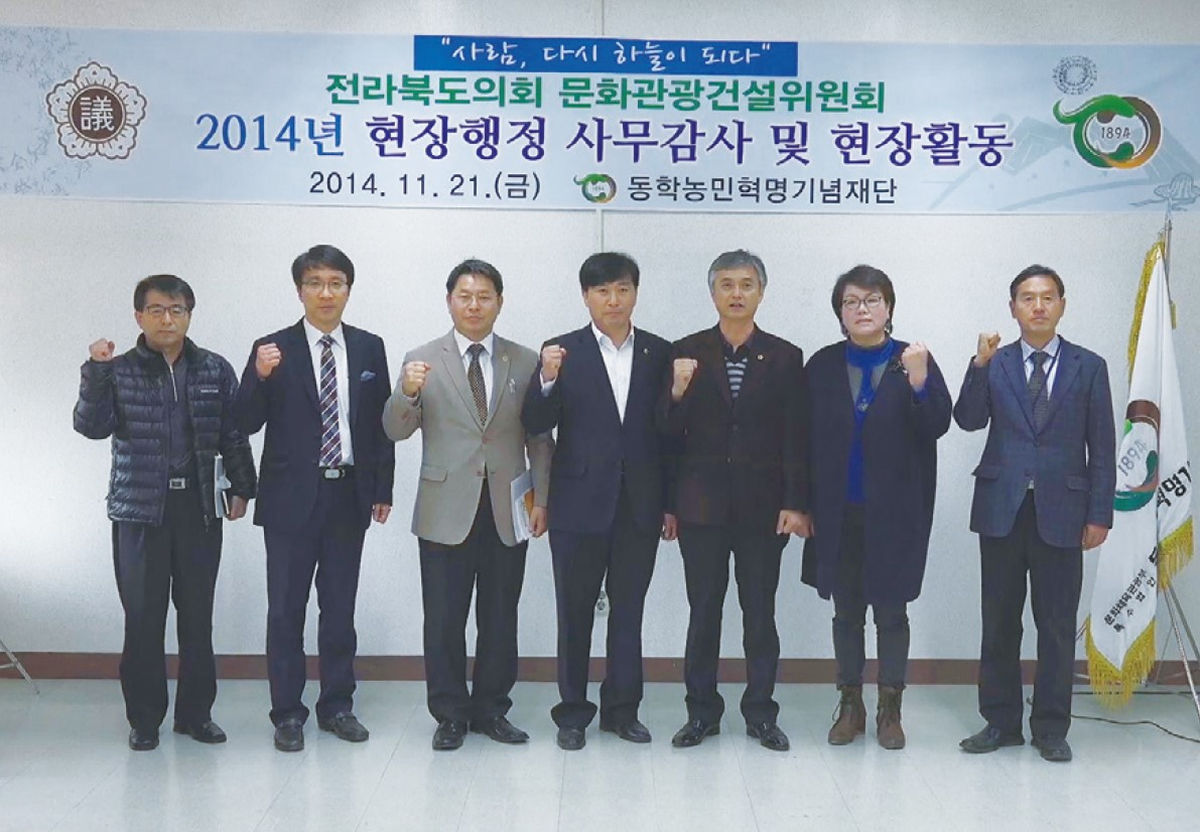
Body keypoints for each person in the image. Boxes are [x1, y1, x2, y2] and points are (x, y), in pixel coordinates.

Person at [73, 274, 257, 751]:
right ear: (139, 316)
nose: (167, 319)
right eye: (156, 310)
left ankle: (195, 715)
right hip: (139, 511)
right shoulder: (118, 370)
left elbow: (232, 432)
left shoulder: (214, 368)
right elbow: (91, 426)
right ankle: (145, 719)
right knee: (143, 618)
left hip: (199, 508)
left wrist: (243, 487)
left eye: (177, 310)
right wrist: (95, 371)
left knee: (197, 617)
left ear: (189, 315)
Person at [384, 258, 552, 751]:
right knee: (443, 619)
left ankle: (492, 710)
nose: (474, 305)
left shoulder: (524, 360)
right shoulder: (421, 358)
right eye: (465, 296)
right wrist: (407, 392)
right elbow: (394, 429)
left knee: (500, 617)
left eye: (484, 297)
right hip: (444, 507)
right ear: (449, 301)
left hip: (507, 507)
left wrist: (542, 497)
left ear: (499, 302)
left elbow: (539, 438)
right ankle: (450, 714)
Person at [234, 244, 395, 752]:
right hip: (289, 499)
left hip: (348, 492)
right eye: (315, 283)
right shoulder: (272, 348)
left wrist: (382, 488)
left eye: (335, 283)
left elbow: (380, 426)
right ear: (299, 290)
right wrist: (258, 377)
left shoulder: (369, 347)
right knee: (286, 610)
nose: (326, 293)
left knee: (339, 609)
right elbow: (243, 422)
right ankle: (287, 712)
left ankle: (337, 706)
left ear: (348, 289)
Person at [954, 265, 1115, 763]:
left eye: (1047, 297)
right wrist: (978, 365)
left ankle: (1050, 727)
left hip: (1064, 510)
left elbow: (1102, 448)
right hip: (1002, 507)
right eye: (1028, 298)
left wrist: (1100, 514)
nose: (1038, 306)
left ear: (1062, 305)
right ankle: (1000, 722)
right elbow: (968, 419)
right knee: (999, 621)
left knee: (1056, 624)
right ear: (1013, 308)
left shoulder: (1090, 366)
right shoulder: (996, 362)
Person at [521, 252, 675, 750]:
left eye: (623, 289)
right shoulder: (562, 351)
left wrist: (669, 503)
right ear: (586, 296)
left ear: (636, 293)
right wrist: (546, 379)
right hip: (577, 503)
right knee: (574, 614)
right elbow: (535, 423)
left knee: (629, 613)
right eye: (603, 291)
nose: (614, 300)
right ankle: (572, 713)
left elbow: (669, 435)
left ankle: (622, 711)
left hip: (639, 504)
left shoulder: (659, 352)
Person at [657, 249, 809, 752]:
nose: (737, 294)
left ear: (761, 292)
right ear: (712, 292)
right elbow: (665, 434)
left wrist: (796, 502)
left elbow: (796, 436)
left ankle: (761, 713)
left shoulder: (785, 356)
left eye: (746, 284)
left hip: (765, 509)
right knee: (703, 613)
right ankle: (701, 712)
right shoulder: (685, 351)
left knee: (759, 614)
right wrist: (677, 391)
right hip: (700, 507)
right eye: (727, 284)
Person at [800, 265, 951, 750]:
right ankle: (851, 705)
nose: (861, 309)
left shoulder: (913, 359)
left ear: (888, 307)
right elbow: (801, 441)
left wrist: (920, 381)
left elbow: (937, 425)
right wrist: (800, 505)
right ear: (840, 313)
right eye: (851, 302)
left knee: (891, 612)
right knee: (846, 612)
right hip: (837, 512)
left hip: (896, 514)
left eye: (871, 300)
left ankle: (890, 708)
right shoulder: (822, 365)